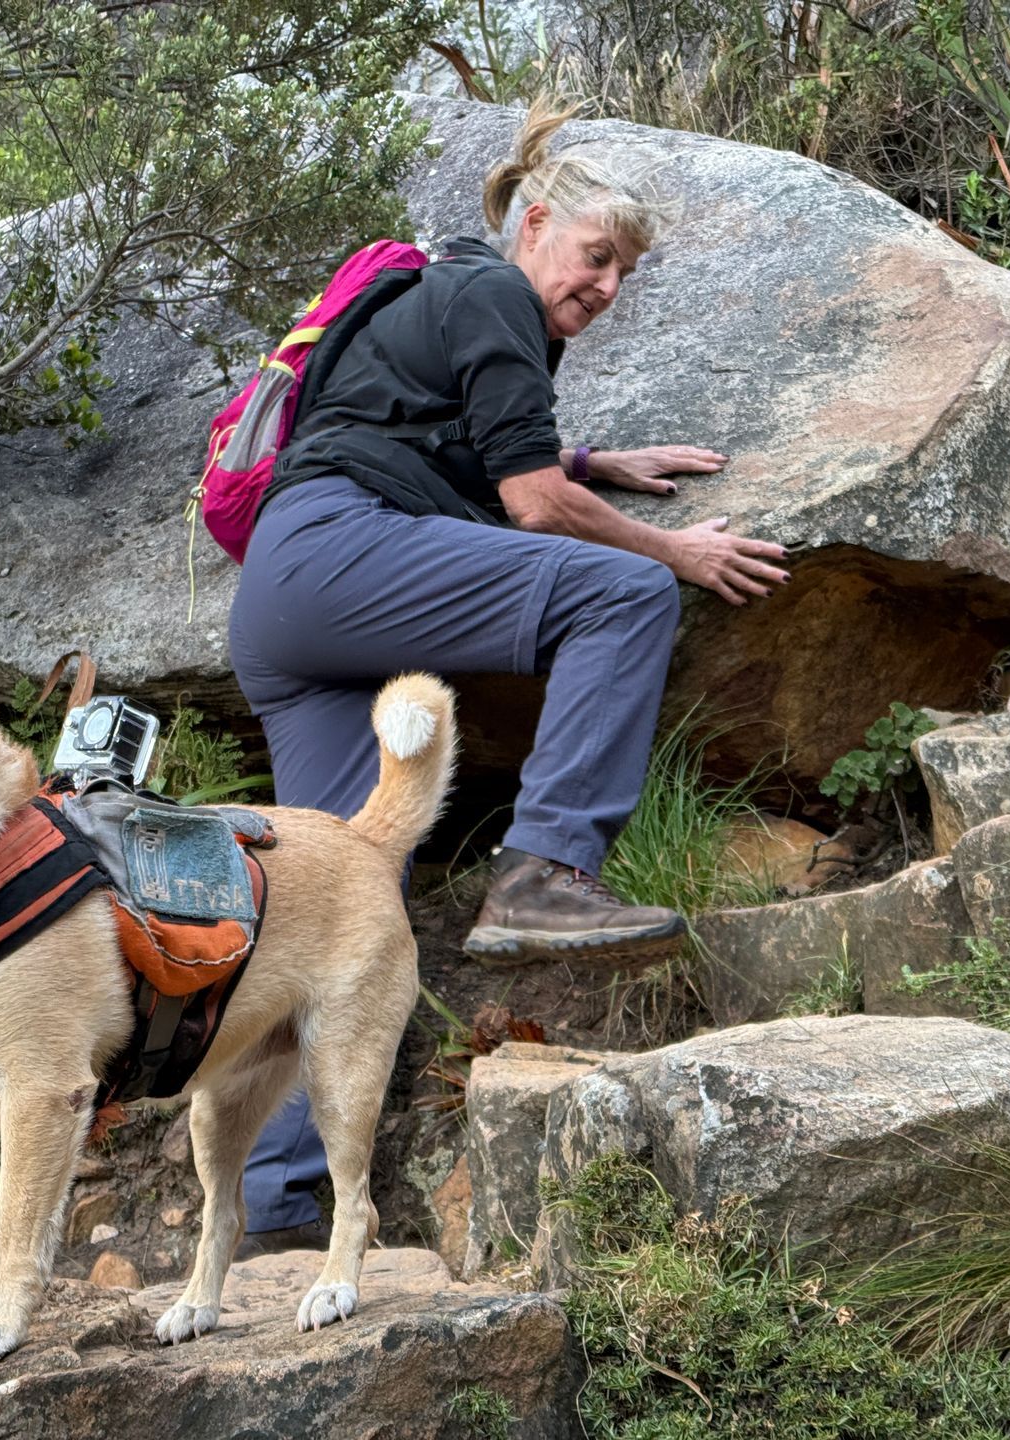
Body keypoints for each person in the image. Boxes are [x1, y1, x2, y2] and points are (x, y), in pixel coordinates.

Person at [226, 101, 793, 1247]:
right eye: (597, 256)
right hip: (339, 551)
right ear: (536, 223)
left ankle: (278, 1209)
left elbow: (469, 450)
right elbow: (532, 505)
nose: (606, 287)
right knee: (624, 591)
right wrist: (678, 548)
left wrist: (591, 459)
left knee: (332, 911)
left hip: (285, 606)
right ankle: (546, 871)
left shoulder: (455, 306)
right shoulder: (489, 289)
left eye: (624, 272)